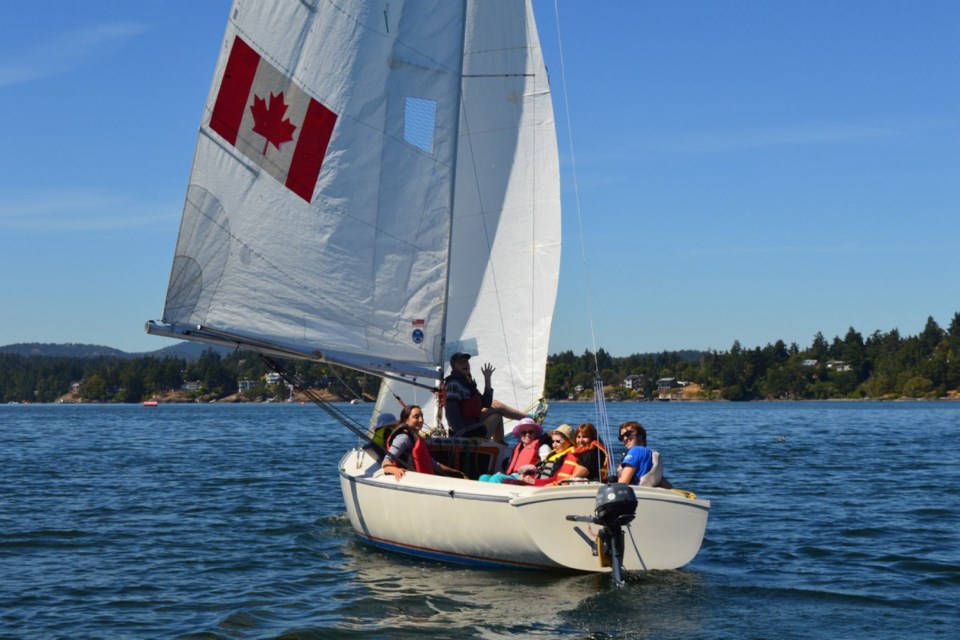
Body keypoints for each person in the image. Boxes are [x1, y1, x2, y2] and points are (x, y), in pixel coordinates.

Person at [443, 352, 528, 442]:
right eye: (460, 362)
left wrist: (487, 379)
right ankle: (501, 447)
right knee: (497, 417)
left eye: (466, 361)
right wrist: (460, 436)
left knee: (496, 404)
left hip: (471, 424)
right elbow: (451, 413)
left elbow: (486, 403)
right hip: (467, 432)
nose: (465, 364)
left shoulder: (467, 382)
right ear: (454, 366)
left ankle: (528, 418)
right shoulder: (454, 384)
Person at [381, 405, 467, 481]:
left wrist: (456, 473)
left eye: (422, 416)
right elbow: (386, 461)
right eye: (416, 417)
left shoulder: (413, 437)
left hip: (424, 479)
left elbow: (432, 463)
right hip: (413, 480)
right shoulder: (403, 438)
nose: (421, 420)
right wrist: (395, 470)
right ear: (406, 420)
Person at [478, 417, 543, 483]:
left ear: (535, 433)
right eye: (524, 432)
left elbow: (545, 465)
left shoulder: (541, 446)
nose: (527, 434)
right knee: (484, 477)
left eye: (531, 432)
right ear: (519, 434)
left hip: (525, 477)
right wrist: (502, 474)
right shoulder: (516, 448)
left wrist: (535, 468)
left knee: (497, 477)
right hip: (512, 476)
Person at [616, 421, 673, 488]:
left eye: (628, 434)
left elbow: (622, 483)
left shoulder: (636, 450)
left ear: (640, 436)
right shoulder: (649, 452)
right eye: (621, 437)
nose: (625, 438)